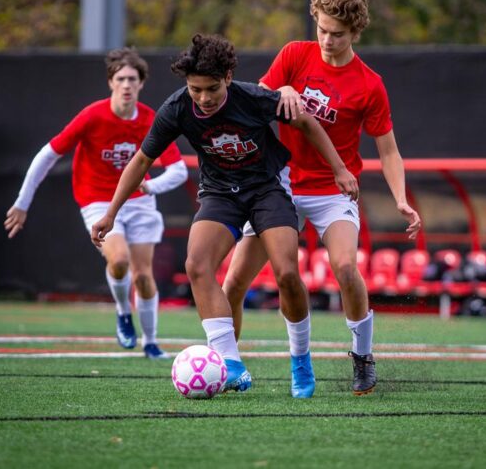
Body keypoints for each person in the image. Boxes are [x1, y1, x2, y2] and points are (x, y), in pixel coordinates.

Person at [91, 34, 358, 398]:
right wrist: (110, 213)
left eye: (212, 88)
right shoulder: (176, 109)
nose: (203, 97)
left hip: (268, 189)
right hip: (220, 194)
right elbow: (141, 161)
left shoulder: (254, 98)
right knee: (197, 264)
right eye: (195, 89)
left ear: (228, 78)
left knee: (287, 273)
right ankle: (230, 364)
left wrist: (340, 170)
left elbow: (308, 123)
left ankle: (300, 359)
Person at [222, 0, 422, 395]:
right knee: (235, 280)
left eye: (339, 33)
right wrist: (284, 89)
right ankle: (226, 364)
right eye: (323, 29)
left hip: (333, 192)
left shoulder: (369, 84)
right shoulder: (295, 54)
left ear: (356, 32)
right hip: (278, 185)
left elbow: (388, 151)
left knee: (347, 269)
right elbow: (259, 100)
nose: (328, 40)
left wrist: (401, 198)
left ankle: (363, 357)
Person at [4, 48, 188, 358]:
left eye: (133, 79)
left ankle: (152, 342)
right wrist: (23, 202)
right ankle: (122, 313)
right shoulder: (93, 116)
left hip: (139, 203)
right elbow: (48, 155)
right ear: (111, 82)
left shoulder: (150, 119)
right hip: (97, 200)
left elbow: (179, 170)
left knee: (143, 277)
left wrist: (150, 186)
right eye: (121, 79)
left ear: (141, 83)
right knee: (118, 261)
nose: (127, 85)